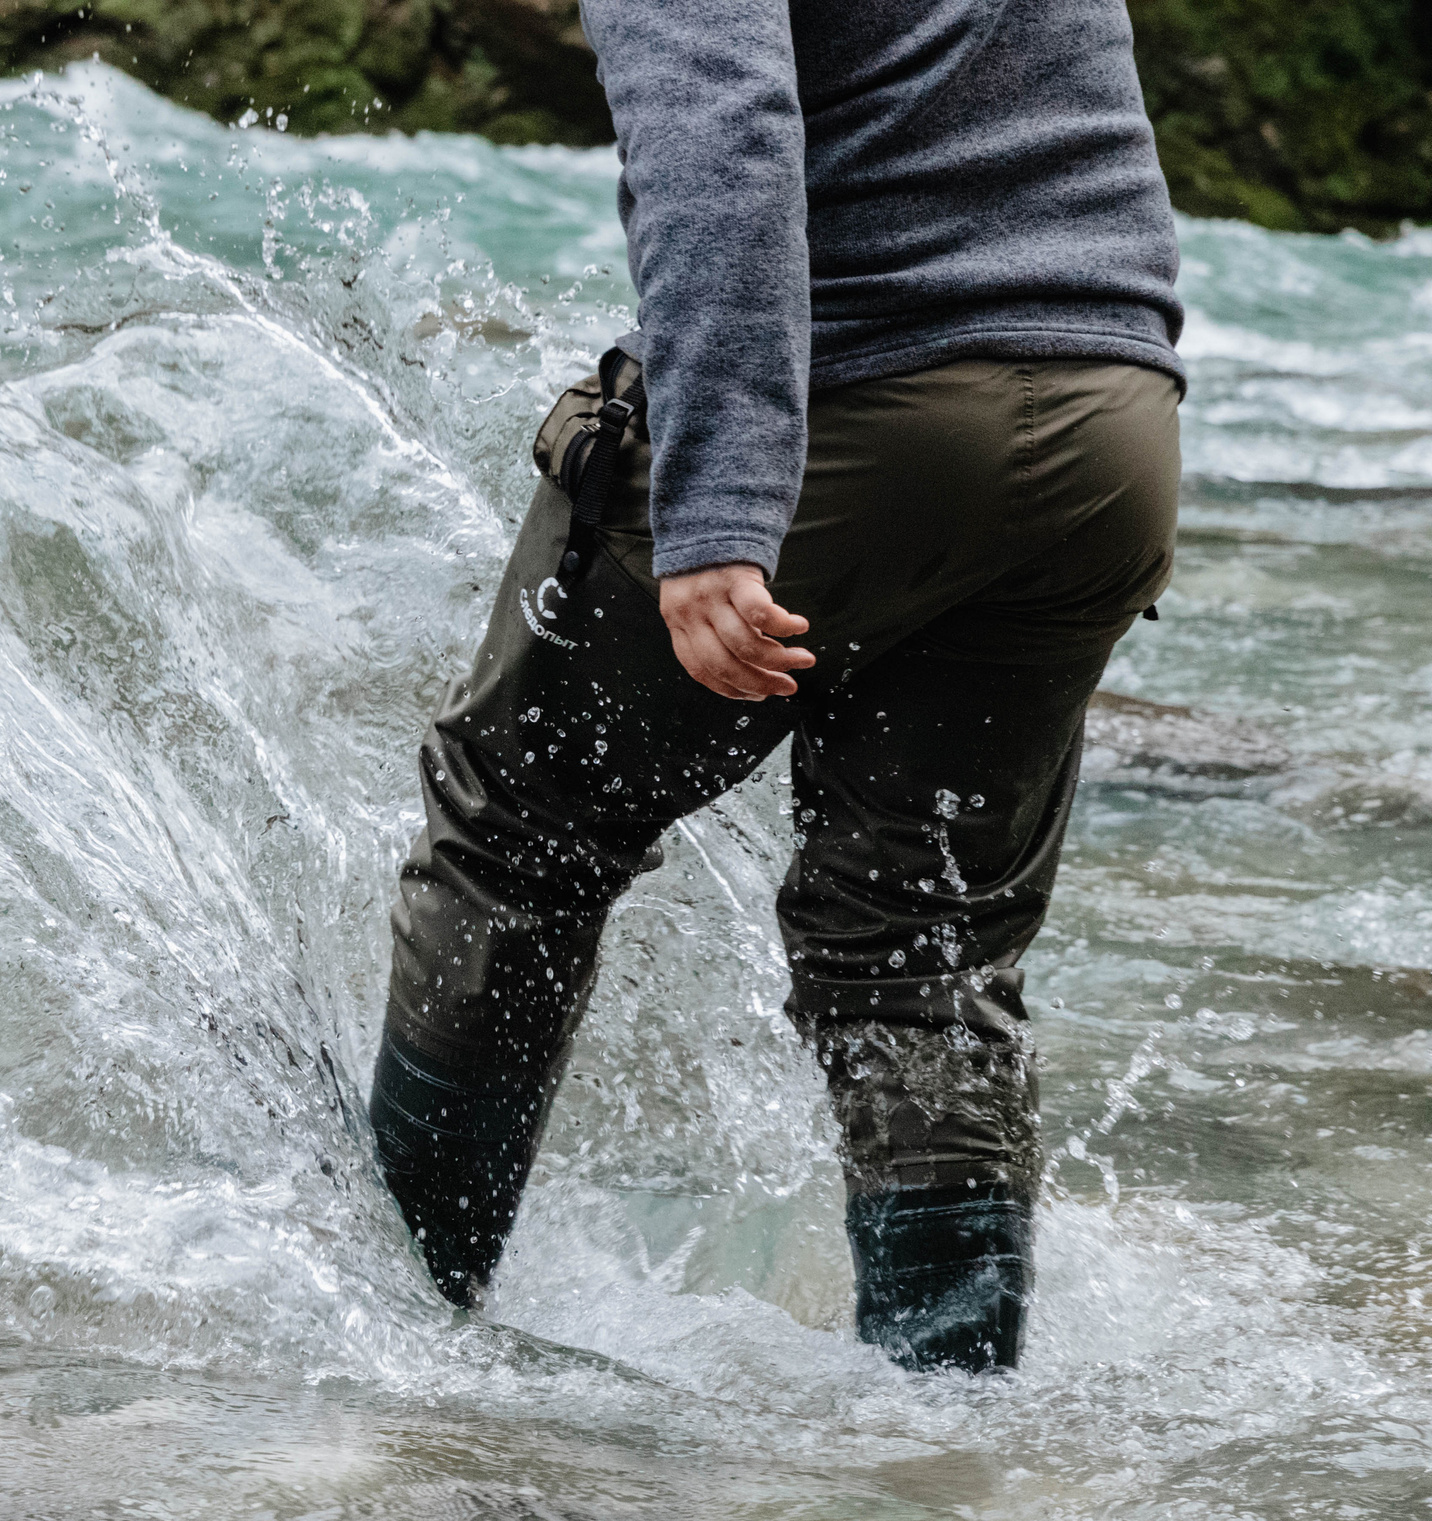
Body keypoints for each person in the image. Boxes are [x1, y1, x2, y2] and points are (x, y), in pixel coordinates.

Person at [369, 0, 1184, 1371]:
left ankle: (387, 1340)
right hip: (1112, 424)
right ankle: (948, 1467)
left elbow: (719, 135)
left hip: (867, 403)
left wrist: (718, 512)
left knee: (516, 839)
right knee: (924, 954)